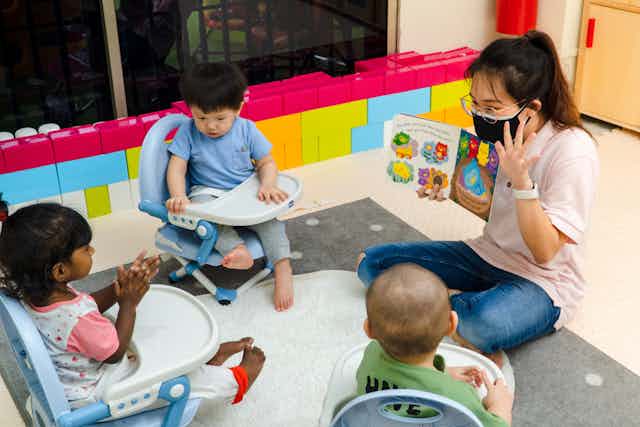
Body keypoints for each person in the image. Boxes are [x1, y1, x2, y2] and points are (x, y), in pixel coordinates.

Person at [357, 30, 599, 366]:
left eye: (492, 107)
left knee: (479, 323)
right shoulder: (502, 132)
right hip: (487, 254)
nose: (481, 115)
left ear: (531, 109)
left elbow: (544, 251)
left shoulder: (573, 150)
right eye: (475, 104)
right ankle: (455, 312)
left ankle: (459, 312)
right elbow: (490, 206)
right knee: (373, 264)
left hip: (543, 282)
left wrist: (521, 181)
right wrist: (451, 188)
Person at [0, 204, 265, 408]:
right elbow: (114, 352)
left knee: (157, 338)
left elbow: (85, 305)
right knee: (180, 378)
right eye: (85, 249)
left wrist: (120, 288)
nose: (92, 252)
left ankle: (207, 358)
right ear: (59, 270)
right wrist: (129, 303)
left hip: (73, 378)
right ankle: (236, 381)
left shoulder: (38, 294)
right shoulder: (77, 322)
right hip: (98, 389)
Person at [165, 62, 294, 311]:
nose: (210, 126)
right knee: (205, 218)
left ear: (238, 108)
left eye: (220, 118)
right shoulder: (188, 132)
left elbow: (266, 162)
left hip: (244, 189)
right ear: (190, 110)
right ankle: (238, 251)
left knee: (271, 223)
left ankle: (283, 268)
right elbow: (177, 167)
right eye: (201, 117)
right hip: (209, 193)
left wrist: (268, 184)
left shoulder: (247, 129)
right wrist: (178, 196)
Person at [357, 263, 513, 426]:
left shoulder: (371, 355)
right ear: (452, 324)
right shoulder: (457, 396)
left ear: (368, 329)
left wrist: (441, 374)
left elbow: (404, 380)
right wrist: (499, 406)